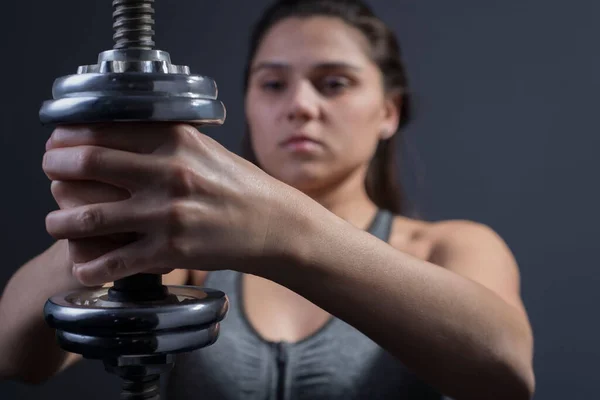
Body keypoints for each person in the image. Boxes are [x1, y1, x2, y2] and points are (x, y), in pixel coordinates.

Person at [0, 0, 535, 399]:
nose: (300, 105)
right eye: (273, 84)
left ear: (388, 111)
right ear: (249, 106)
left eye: (334, 83)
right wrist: (103, 223)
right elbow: (15, 355)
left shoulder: (450, 246)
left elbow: (506, 373)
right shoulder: (188, 263)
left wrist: (285, 229)